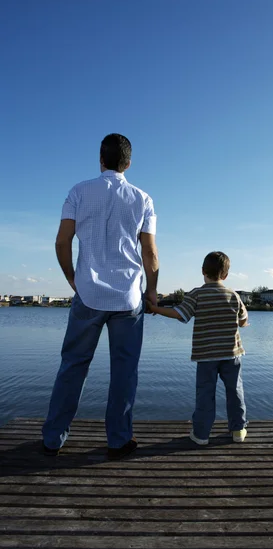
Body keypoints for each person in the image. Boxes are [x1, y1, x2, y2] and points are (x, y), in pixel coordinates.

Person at [42, 133, 159, 459]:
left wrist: (71, 277)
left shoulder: (78, 192)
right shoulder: (143, 199)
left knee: (72, 367)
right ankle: (118, 440)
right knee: (125, 372)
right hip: (128, 299)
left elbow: (62, 241)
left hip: (88, 294)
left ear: (101, 159)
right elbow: (149, 253)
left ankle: (53, 439)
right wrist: (152, 292)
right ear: (128, 163)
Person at [146, 251, 248, 445]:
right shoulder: (233, 295)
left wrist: (155, 309)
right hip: (231, 354)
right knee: (235, 391)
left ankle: (201, 434)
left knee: (205, 394)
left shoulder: (197, 294)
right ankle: (238, 430)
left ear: (203, 271)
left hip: (206, 356)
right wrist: (241, 323)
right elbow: (243, 318)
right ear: (225, 275)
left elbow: (179, 314)